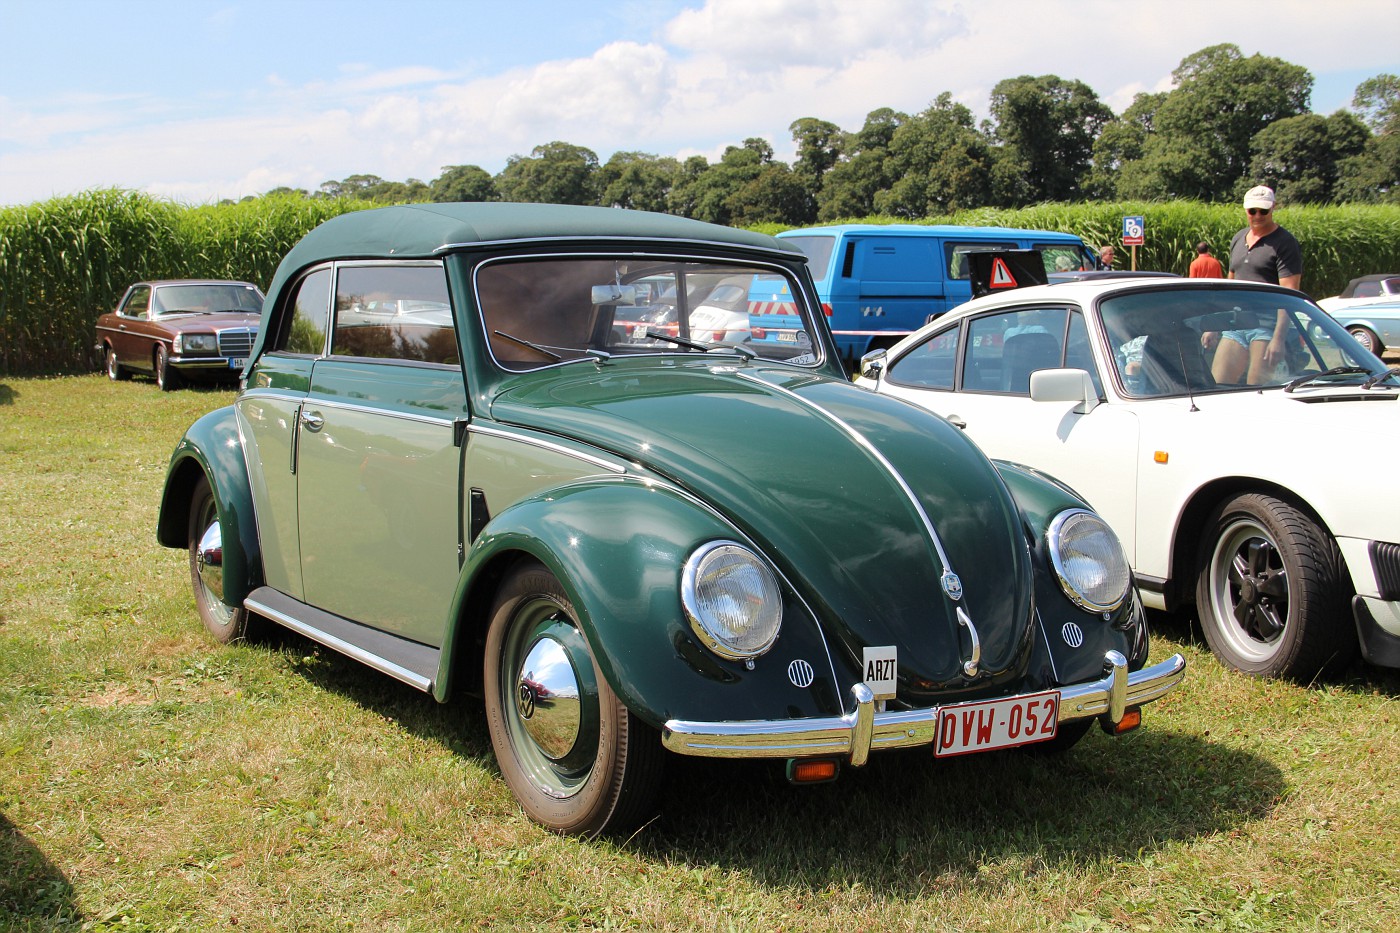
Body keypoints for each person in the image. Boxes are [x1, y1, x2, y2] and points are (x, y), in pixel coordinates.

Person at [1201, 185, 1302, 384]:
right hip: (1236, 324)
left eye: (1263, 210)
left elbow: (1289, 293)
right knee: (1218, 385)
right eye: (1252, 210)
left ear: (1273, 207)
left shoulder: (1285, 242)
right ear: (1246, 209)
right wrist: (1215, 324)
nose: (1258, 215)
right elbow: (1229, 286)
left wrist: (1278, 338)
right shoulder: (1238, 238)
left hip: (1266, 326)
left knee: (1257, 390)